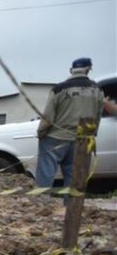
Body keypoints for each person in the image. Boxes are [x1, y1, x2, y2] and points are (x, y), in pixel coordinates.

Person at [35, 57, 117, 189]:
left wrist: (41, 132)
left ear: (71, 70)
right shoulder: (97, 90)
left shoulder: (59, 89)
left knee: (45, 174)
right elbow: (97, 116)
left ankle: (41, 200)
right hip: (83, 138)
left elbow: (48, 117)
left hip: (56, 137)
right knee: (75, 178)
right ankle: (72, 202)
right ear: (88, 69)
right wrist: (91, 135)